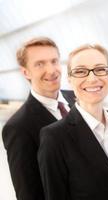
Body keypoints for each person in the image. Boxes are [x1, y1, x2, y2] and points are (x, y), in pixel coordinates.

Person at [38, 44, 108, 200]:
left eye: (100, 69)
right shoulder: (54, 138)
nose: (92, 78)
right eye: (80, 71)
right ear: (69, 79)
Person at [2, 37, 75, 200]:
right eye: (40, 64)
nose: (51, 70)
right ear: (25, 72)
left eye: (54, 61)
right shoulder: (18, 127)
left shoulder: (79, 99)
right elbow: (28, 193)